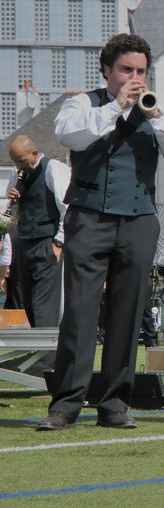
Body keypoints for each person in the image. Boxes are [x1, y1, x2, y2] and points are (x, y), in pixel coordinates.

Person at [38, 33, 164, 431]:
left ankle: (114, 405)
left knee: (129, 313)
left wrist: (155, 115)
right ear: (107, 69)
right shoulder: (82, 104)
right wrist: (116, 107)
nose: (135, 77)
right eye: (127, 69)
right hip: (89, 217)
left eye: (141, 70)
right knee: (79, 312)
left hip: (139, 220)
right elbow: (71, 135)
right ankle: (66, 404)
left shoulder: (156, 111)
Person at [5, 135, 70, 364]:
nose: (18, 166)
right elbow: (10, 213)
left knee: (44, 306)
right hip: (24, 241)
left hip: (46, 242)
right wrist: (13, 198)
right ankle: (37, 358)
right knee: (29, 303)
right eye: (15, 162)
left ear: (34, 153)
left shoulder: (53, 169)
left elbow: (66, 207)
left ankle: (48, 365)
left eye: (21, 161)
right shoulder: (17, 174)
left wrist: (58, 243)